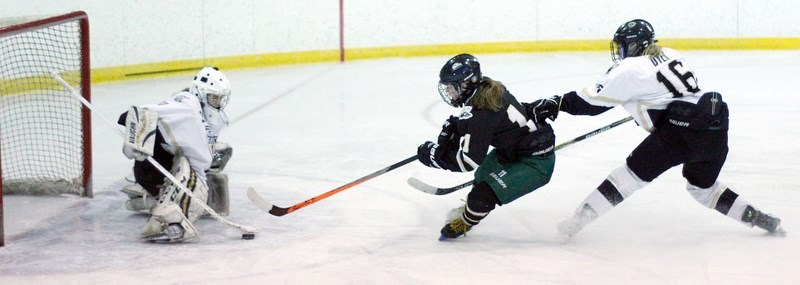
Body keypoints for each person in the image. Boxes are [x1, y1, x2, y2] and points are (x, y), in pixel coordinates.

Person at [527, 19, 784, 238]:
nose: (620, 51)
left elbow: (592, 103)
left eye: (623, 46)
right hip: (715, 128)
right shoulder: (672, 53)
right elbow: (676, 93)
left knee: (627, 177)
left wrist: (556, 104)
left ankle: (576, 223)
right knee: (703, 189)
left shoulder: (629, 69)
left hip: (678, 134)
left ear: (635, 45)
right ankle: (757, 217)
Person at [417, 54, 557, 240]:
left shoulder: (481, 114)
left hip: (535, 164)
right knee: (482, 176)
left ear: (466, 84)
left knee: (480, 197)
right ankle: (473, 208)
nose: (449, 93)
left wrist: (434, 156)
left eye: (452, 87)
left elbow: (468, 161)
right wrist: (459, 126)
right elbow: (490, 123)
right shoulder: (488, 89)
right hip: (514, 151)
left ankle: (467, 220)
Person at [118, 66, 234, 243]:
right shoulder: (188, 106)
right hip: (154, 169)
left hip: (164, 165)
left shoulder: (203, 114)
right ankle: (168, 221)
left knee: (220, 153)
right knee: (193, 180)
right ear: (201, 94)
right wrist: (136, 136)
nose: (217, 102)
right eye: (214, 97)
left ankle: (152, 197)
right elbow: (137, 114)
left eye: (219, 98)